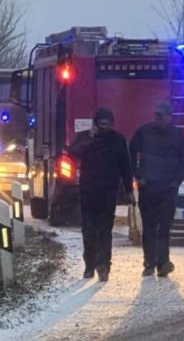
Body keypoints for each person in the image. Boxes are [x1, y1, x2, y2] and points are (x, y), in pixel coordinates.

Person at [68, 108, 133, 282]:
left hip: (108, 193)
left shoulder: (118, 140)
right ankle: (89, 265)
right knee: (88, 231)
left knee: (105, 232)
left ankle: (103, 266)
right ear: (95, 123)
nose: (105, 128)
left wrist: (129, 190)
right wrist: (89, 138)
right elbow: (72, 153)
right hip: (88, 193)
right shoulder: (85, 137)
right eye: (101, 124)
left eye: (108, 125)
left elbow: (125, 167)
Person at [129, 102, 184, 277]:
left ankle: (162, 263)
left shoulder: (177, 136)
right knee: (149, 227)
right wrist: (138, 175)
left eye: (161, 115)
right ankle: (149, 263)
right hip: (148, 188)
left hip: (167, 189)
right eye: (156, 115)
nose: (158, 118)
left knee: (163, 228)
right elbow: (131, 153)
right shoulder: (143, 132)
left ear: (169, 117)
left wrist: (176, 181)